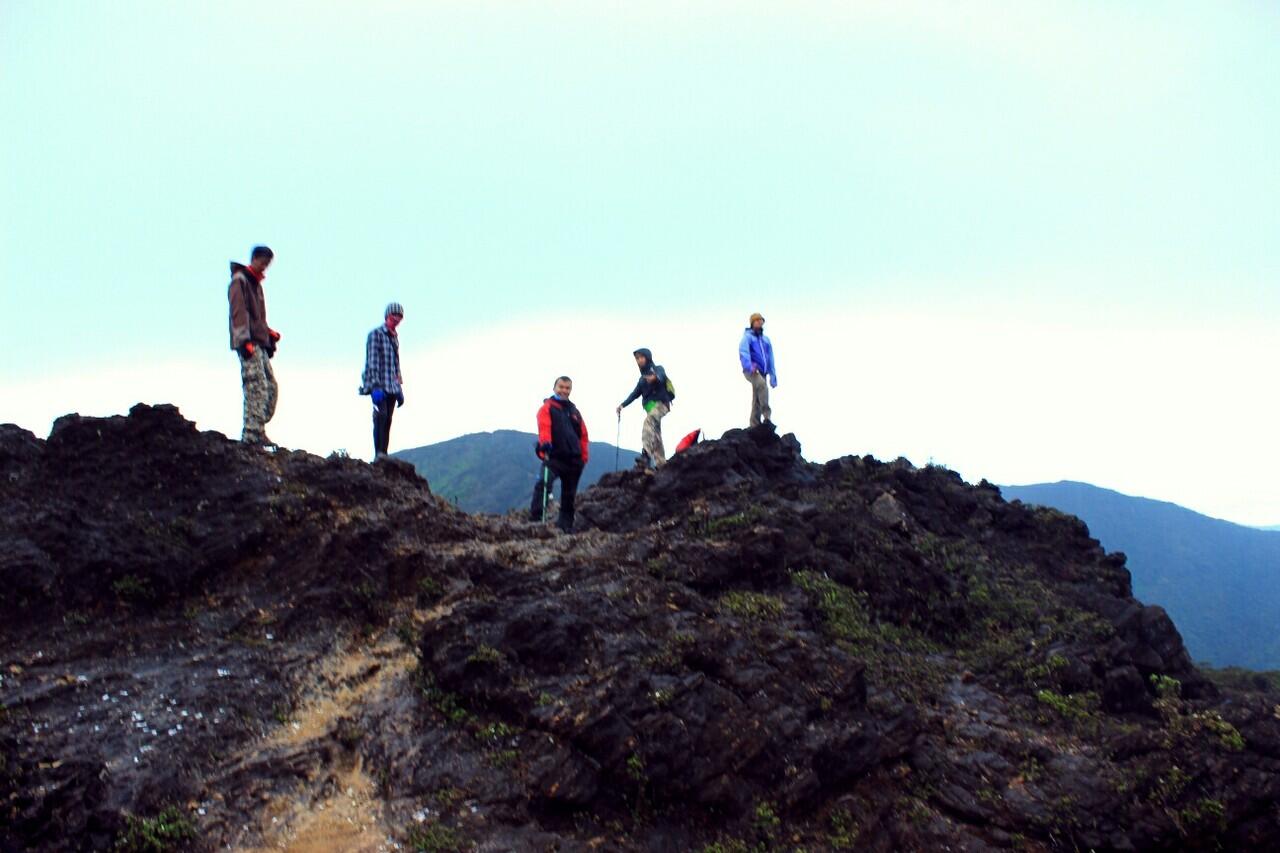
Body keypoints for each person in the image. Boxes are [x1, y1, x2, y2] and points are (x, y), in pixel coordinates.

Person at [227, 245, 281, 447]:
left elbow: (257, 317)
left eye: (268, 264)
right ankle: (252, 433)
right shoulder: (240, 282)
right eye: (264, 263)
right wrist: (243, 341)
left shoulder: (256, 284)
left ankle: (258, 427)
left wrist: (268, 333)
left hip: (259, 343)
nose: (266, 268)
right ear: (256, 259)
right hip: (248, 343)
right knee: (255, 384)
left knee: (270, 386)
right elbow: (238, 313)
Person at [530, 376, 589, 531]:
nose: (564, 390)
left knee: (569, 497)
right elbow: (544, 427)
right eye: (561, 387)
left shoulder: (575, 411)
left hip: (574, 461)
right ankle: (535, 521)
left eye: (567, 388)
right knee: (543, 484)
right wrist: (545, 444)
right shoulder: (547, 408)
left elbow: (583, 435)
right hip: (554, 457)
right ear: (554, 388)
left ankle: (565, 528)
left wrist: (583, 457)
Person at [359, 302, 405, 458]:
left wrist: (399, 389)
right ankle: (378, 453)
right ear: (387, 316)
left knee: (389, 420)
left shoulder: (395, 339)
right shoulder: (376, 334)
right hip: (378, 385)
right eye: (394, 315)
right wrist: (375, 386)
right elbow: (372, 361)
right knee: (381, 417)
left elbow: (396, 365)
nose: (397, 319)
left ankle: (384, 453)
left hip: (392, 386)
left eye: (400, 316)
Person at [616, 348, 672, 468]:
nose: (639, 360)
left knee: (649, 422)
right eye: (637, 358)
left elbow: (661, 376)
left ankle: (646, 455)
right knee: (656, 435)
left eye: (641, 357)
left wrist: (655, 378)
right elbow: (634, 394)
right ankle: (661, 464)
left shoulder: (657, 369)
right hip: (650, 408)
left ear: (648, 357)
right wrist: (622, 405)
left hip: (661, 404)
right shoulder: (642, 379)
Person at [738, 312, 776, 426]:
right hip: (751, 370)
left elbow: (771, 357)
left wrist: (773, 375)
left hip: (763, 371)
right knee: (762, 385)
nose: (760, 323)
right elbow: (743, 352)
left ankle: (754, 423)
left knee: (757, 396)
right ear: (752, 323)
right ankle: (767, 415)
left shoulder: (766, 340)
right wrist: (750, 366)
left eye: (761, 321)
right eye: (757, 321)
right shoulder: (747, 337)